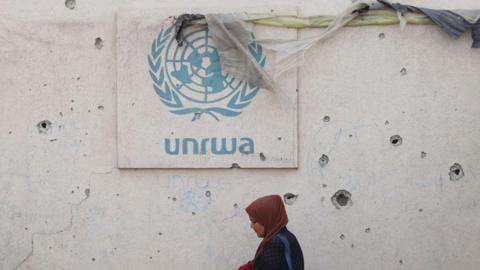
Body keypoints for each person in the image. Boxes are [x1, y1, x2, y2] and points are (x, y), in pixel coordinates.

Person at [239, 195, 304, 270]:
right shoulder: (286, 236)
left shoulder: (274, 244)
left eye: (254, 221)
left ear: (267, 219)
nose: (251, 226)